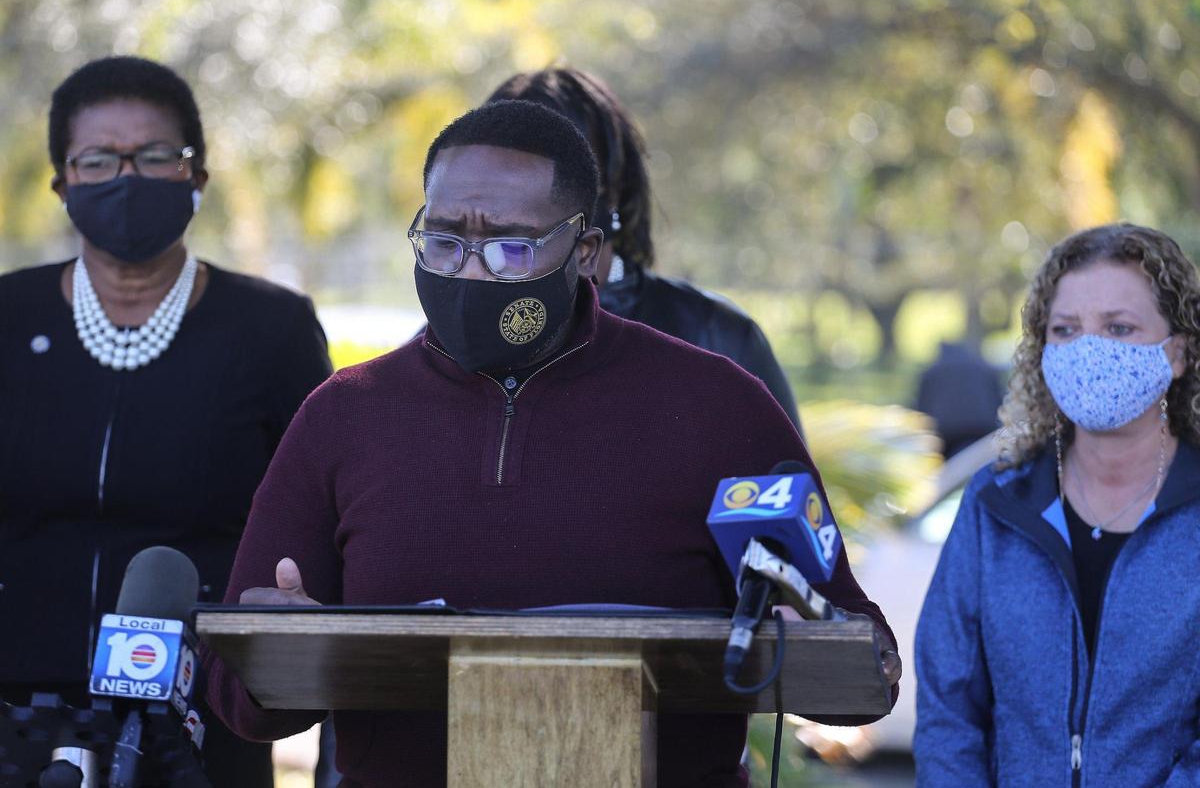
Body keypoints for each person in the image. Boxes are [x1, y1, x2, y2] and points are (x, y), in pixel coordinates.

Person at [204, 100, 898, 788]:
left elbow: (863, 671)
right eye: (444, 240)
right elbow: (238, 701)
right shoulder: (344, 416)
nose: (471, 272)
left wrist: (800, 624)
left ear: (587, 253)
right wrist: (279, 648)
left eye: (510, 246)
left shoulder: (716, 404)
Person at [0, 56, 332, 786]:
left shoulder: (270, 328)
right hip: (17, 721)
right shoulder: (9, 315)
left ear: (198, 177)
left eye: (156, 156)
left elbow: (314, 516)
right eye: (98, 159)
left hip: (201, 726)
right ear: (62, 182)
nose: (128, 177)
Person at [914, 223, 1200, 787]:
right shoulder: (996, 503)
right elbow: (948, 708)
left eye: (1119, 327)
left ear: (1179, 353)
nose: (1090, 349)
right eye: (1065, 330)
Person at [487, 68, 803, 435]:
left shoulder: (715, 337)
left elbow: (784, 485)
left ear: (615, 187)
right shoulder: (449, 345)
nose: (524, 204)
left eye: (558, 175)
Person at [914, 340, 1005, 457]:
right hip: (982, 430)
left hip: (948, 434)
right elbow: (998, 400)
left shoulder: (932, 371)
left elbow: (922, 407)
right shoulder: (984, 367)